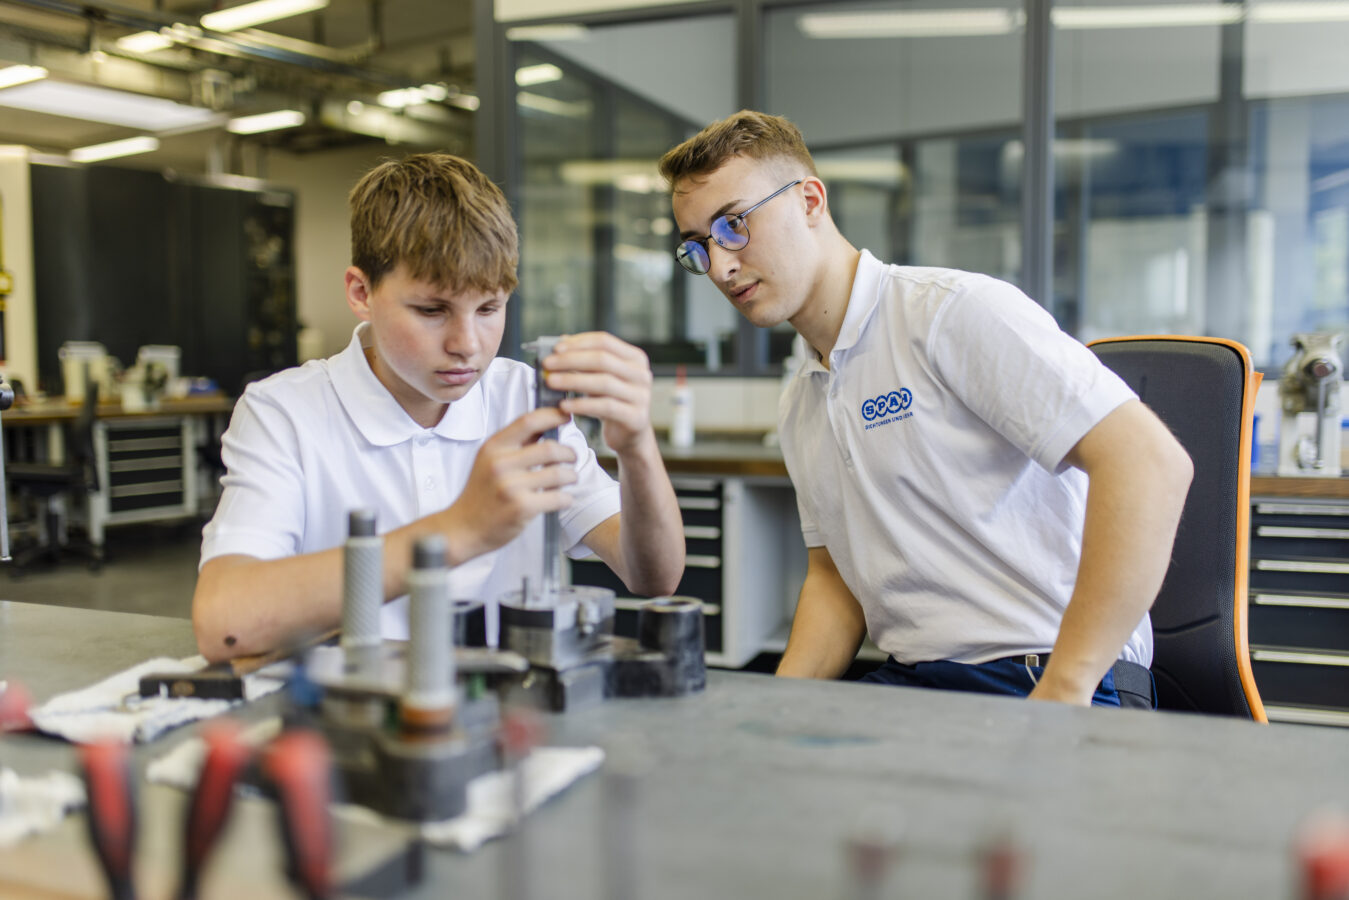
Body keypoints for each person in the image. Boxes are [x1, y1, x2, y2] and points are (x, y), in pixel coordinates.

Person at [659, 111, 1193, 707]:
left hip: (1049, 675)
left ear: (810, 201)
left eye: (734, 225)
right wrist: (774, 716)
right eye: (698, 248)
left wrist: (1064, 690)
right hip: (920, 686)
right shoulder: (802, 398)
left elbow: (1151, 464)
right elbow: (837, 582)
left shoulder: (949, 314)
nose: (722, 266)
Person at [193, 152, 684, 663]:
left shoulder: (522, 398)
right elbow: (224, 625)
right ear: (362, 292)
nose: (467, 344)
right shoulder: (284, 412)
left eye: (489, 308)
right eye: (432, 310)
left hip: (505, 710)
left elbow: (654, 576)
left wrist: (637, 447)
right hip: (353, 710)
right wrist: (461, 528)